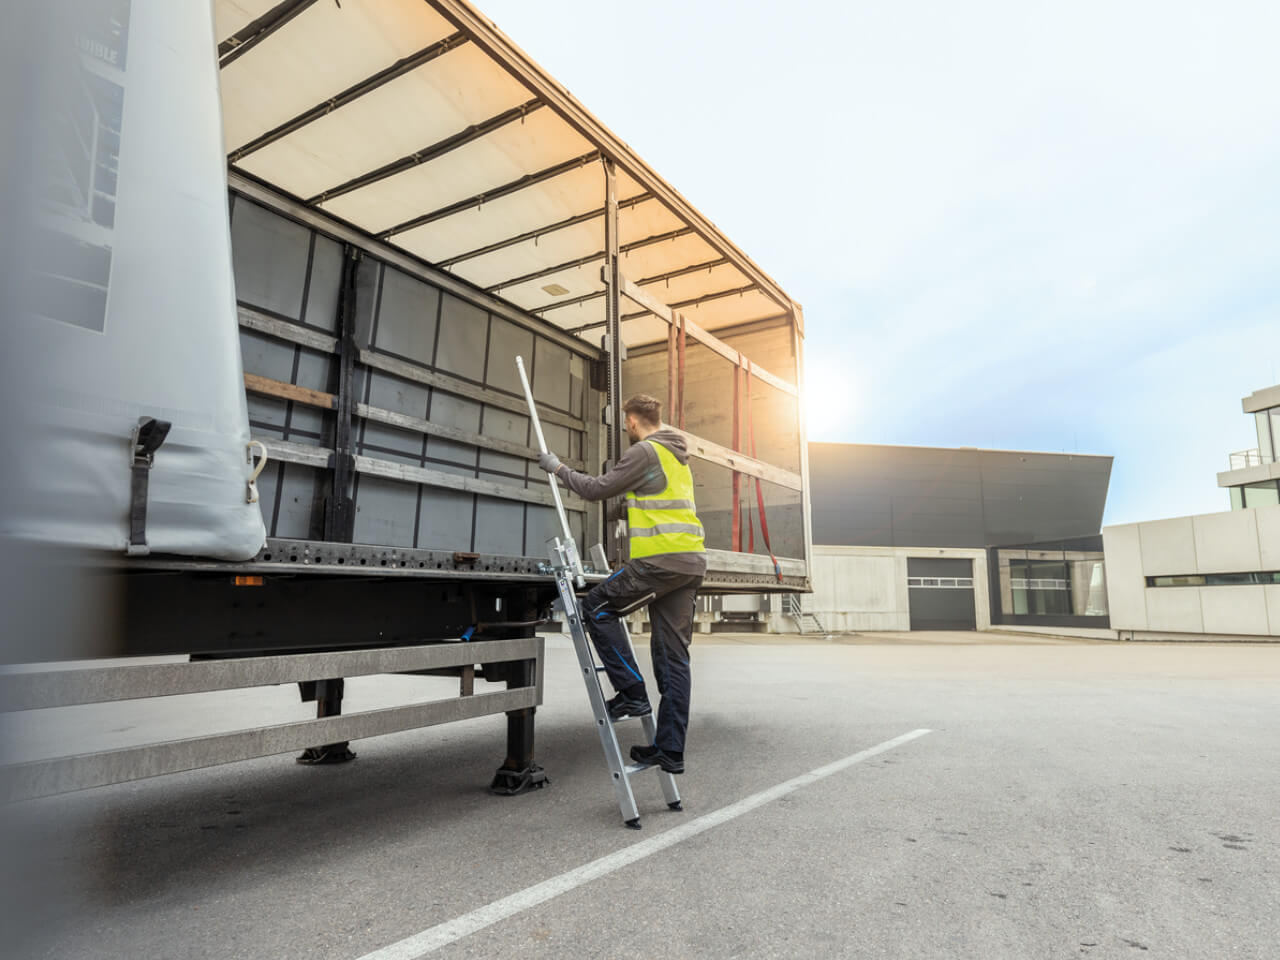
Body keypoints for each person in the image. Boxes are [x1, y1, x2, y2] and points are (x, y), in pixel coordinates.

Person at [536, 394, 705, 775]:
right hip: (688, 563)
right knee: (673, 660)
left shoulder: (646, 452)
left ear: (630, 421)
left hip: (658, 563)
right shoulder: (677, 456)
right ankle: (670, 751)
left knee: (594, 608)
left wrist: (557, 468)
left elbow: (595, 489)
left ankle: (631, 694)